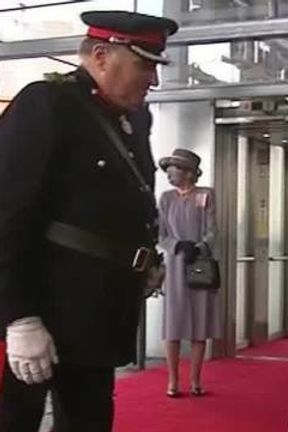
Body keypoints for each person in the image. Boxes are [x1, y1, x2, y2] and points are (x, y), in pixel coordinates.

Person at [0, 11, 177, 432]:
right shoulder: (48, 103)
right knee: (17, 421)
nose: (152, 78)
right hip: (47, 306)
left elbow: (124, 199)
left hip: (100, 310)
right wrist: (19, 316)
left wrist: (146, 256)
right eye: (144, 64)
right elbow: (7, 213)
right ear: (100, 55)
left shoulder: (135, 118)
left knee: (89, 422)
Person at [157, 149, 221, 398]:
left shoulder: (206, 195)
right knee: (172, 323)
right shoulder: (165, 198)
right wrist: (175, 245)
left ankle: (195, 380)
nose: (171, 173)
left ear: (190, 172)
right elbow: (160, 234)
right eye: (170, 169)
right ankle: (173, 381)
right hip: (174, 266)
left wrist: (200, 246)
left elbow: (213, 230)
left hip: (199, 265)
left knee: (199, 323)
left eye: (176, 168)